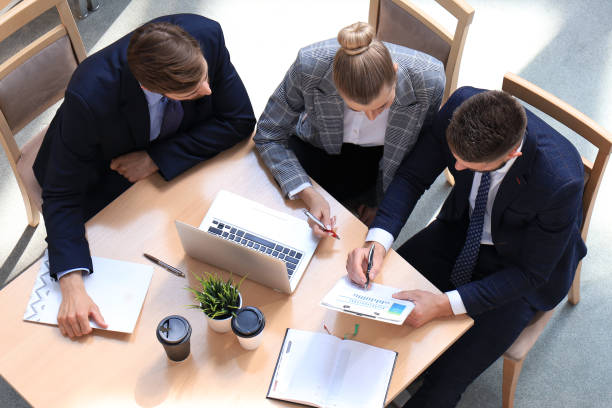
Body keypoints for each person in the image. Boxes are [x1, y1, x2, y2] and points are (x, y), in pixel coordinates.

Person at [346, 87, 587, 407]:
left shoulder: (560, 182)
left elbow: (531, 273)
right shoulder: (460, 107)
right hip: (459, 230)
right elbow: (412, 177)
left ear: (511, 156)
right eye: (454, 156)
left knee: (445, 380)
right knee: (367, 315)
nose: (456, 168)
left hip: (519, 271)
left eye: (469, 164)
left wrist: (443, 305)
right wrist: (376, 241)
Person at [32, 14, 256, 338]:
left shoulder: (207, 37)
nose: (208, 90)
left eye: (204, 77)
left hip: (162, 163)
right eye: (193, 91)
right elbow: (61, 194)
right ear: (154, 89)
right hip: (104, 172)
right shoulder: (89, 98)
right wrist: (71, 284)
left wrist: (156, 158)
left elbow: (238, 120)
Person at [254, 22, 444, 235]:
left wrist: (382, 204)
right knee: (273, 210)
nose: (372, 117)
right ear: (336, 84)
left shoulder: (430, 82)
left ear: (394, 71)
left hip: (377, 162)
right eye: (356, 109)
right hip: (317, 144)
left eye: (382, 105)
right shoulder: (309, 65)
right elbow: (269, 133)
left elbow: (418, 154)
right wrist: (307, 192)